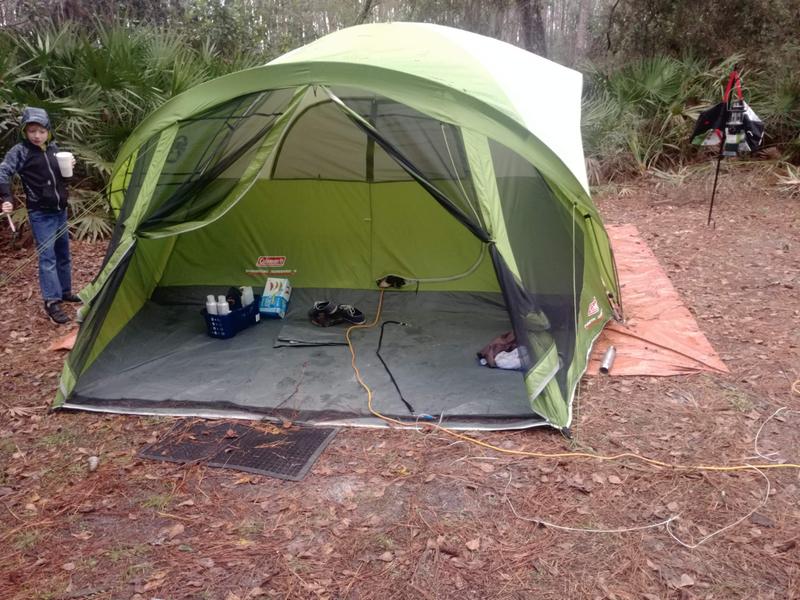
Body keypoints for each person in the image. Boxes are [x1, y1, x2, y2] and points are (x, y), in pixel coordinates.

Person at [0, 107, 79, 324]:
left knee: (63, 253)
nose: (37, 135)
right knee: (47, 258)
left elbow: (59, 180)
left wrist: (69, 168)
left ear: (49, 131)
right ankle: (51, 302)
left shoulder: (53, 148)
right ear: (25, 131)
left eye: (41, 131)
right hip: (41, 213)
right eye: (32, 130)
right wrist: (6, 197)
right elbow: (3, 171)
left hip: (60, 209)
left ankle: (64, 292)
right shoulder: (21, 151)